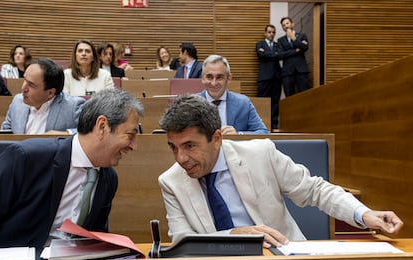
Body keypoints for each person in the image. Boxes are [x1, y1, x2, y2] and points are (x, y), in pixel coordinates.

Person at [158, 94, 404, 246]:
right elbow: (182, 241)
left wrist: (364, 214)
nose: (181, 158)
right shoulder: (171, 181)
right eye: (173, 147)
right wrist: (234, 235)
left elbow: (315, 190)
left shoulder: (260, 153)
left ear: (217, 138)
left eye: (190, 146)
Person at [0, 88, 144, 250]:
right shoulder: (28, 157)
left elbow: (95, 236)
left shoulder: (109, 179)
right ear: (102, 126)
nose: (134, 146)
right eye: (130, 135)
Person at [1, 58, 85, 134]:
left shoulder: (73, 107)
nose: (23, 88)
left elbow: (91, 134)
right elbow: (5, 133)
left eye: (31, 85)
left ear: (50, 93)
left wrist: (66, 134)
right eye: (25, 80)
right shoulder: (17, 102)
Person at [198, 54, 269, 134]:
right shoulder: (192, 104)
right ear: (203, 78)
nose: (214, 83)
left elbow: (264, 133)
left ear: (229, 78)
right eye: (209, 77)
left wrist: (238, 135)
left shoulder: (243, 103)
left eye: (219, 77)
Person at [256, 24, 282, 129]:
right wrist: (274, 54)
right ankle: (260, 125)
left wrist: (268, 53)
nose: (271, 34)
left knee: (275, 101)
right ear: (265, 33)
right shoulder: (259, 44)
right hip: (264, 77)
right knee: (262, 101)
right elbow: (261, 54)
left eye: (273, 32)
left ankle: (274, 126)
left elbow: (280, 55)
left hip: (277, 77)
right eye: (269, 32)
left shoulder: (278, 45)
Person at [277, 17, 310, 97]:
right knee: (289, 97)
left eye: (287, 23)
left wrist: (294, 38)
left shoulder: (302, 36)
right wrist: (295, 51)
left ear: (292, 24)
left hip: (301, 70)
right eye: (283, 25)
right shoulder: (280, 40)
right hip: (288, 72)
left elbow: (305, 48)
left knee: (305, 95)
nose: (286, 26)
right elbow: (281, 55)